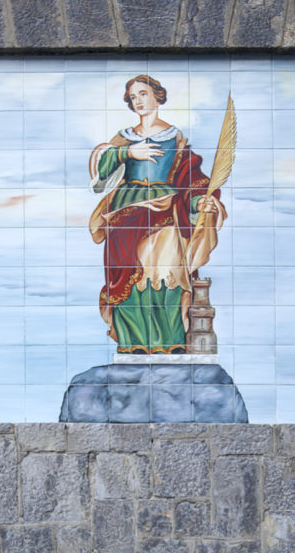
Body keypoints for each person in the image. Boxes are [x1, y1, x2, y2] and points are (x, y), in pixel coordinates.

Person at [89, 74, 226, 354]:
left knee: (167, 271)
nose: (138, 101)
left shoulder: (175, 138)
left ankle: (170, 341)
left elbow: (192, 178)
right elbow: (99, 178)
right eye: (133, 97)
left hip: (167, 210)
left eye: (143, 94)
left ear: (157, 96)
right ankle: (134, 343)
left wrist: (200, 203)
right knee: (130, 273)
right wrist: (128, 154)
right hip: (126, 210)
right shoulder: (125, 138)